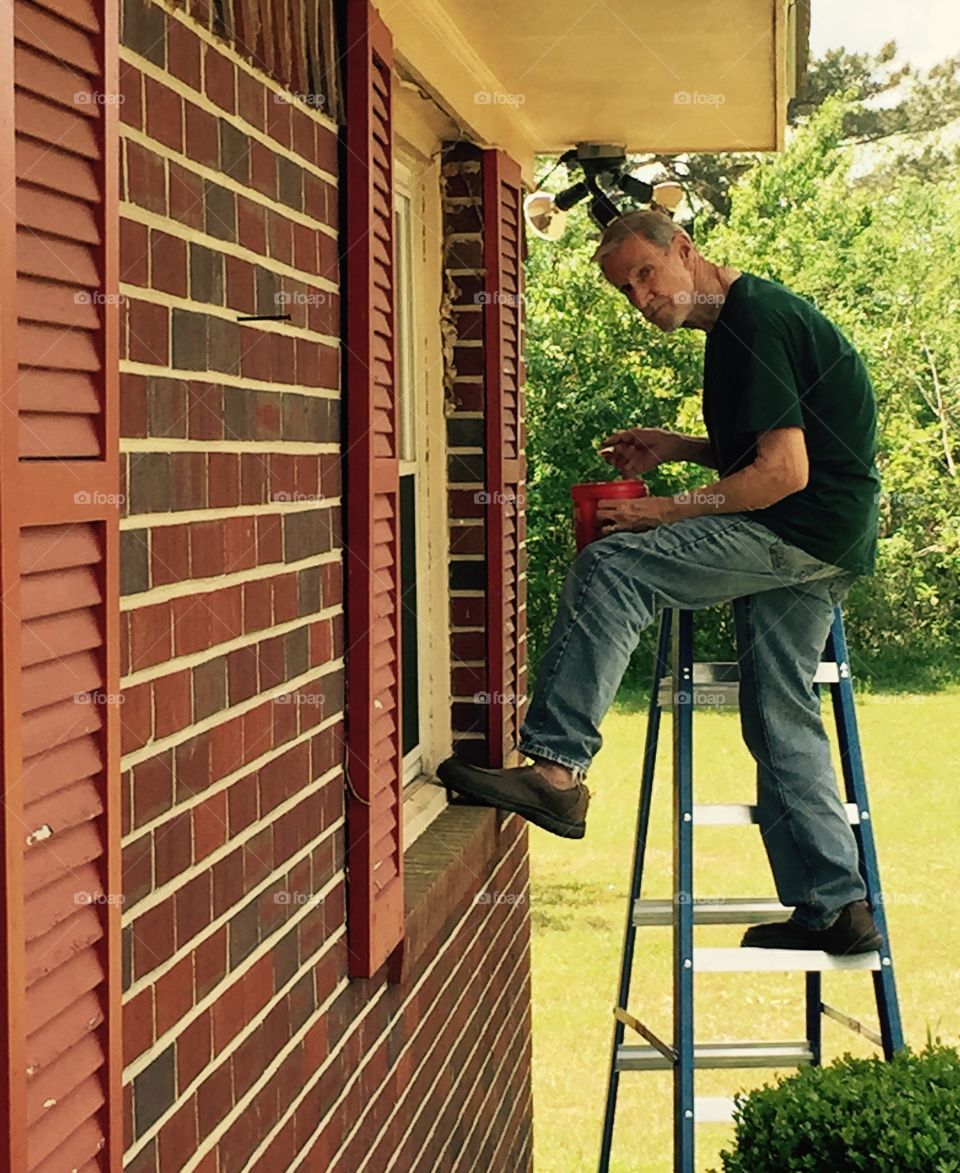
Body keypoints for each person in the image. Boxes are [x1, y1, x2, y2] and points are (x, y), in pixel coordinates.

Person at [438, 208, 884, 955]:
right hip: (828, 535)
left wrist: (666, 511)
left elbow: (784, 473)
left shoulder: (755, 321)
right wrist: (678, 446)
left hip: (798, 530)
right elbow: (767, 451)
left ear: (685, 249)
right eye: (625, 289)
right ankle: (835, 906)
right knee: (778, 712)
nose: (641, 298)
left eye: (646, 274)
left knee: (612, 566)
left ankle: (555, 769)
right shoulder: (741, 322)